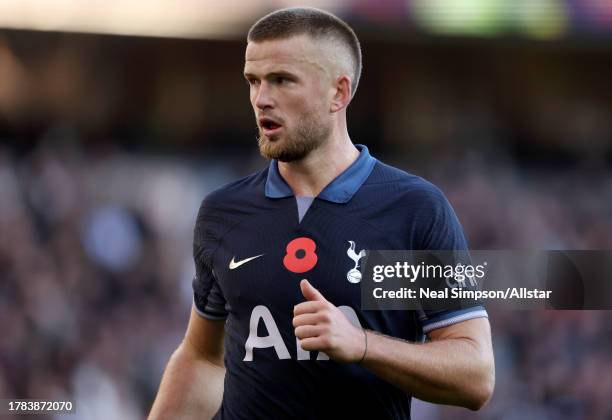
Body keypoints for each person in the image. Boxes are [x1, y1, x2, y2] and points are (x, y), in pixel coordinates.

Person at [149, 7, 494, 419]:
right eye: (254, 81)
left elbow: (475, 376)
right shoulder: (223, 213)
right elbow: (203, 358)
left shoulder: (411, 211)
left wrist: (362, 345)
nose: (262, 99)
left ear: (339, 93)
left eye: (282, 80)